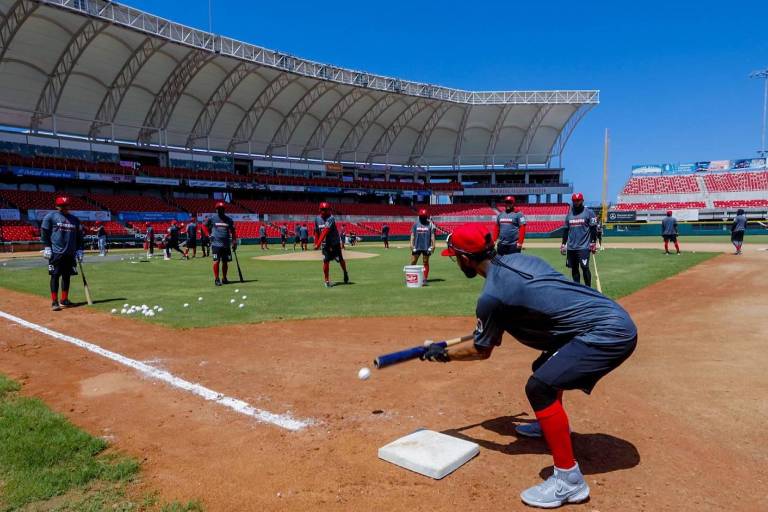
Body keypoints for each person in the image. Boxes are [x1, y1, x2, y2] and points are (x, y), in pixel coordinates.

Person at [427, 223, 637, 508]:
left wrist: (443, 354)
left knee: (540, 388)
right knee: (544, 365)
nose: (456, 262)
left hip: (607, 334)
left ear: (465, 259)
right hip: (608, 316)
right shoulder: (521, 261)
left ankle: (569, 481)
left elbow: (481, 349)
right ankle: (546, 427)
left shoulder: (491, 297)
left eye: (455, 257)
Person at [41, 196, 84, 311]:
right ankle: (54, 302)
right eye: (62, 206)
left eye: (66, 205)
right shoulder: (50, 217)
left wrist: (80, 249)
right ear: (57, 206)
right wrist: (47, 247)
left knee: (67, 276)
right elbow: (44, 233)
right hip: (56, 253)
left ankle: (64, 299)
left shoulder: (75, 219)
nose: (65, 207)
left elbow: (80, 237)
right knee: (55, 276)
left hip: (70, 254)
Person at [561, 193, 597, 287]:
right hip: (571, 247)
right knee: (574, 268)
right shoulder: (569, 215)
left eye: (578, 200)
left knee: (585, 267)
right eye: (574, 201)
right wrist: (563, 244)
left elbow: (593, 228)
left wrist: (593, 242)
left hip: (584, 247)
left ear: (582, 201)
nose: (576, 202)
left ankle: (588, 289)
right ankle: (578, 289)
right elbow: (566, 231)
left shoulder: (589, 213)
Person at [314, 202, 349, 287]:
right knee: (326, 261)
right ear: (319, 210)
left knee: (340, 259)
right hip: (325, 244)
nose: (324, 211)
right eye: (322, 210)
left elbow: (325, 230)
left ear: (329, 210)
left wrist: (318, 244)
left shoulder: (331, 218)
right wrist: (316, 242)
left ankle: (345, 272)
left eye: (326, 210)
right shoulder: (317, 219)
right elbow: (317, 232)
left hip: (335, 243)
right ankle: (326, 280)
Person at [205, 202, 237, 286]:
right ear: (216, 210)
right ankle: (216, 279)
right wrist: (208, 235)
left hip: (226, 245)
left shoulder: (229, 220)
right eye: (219, 209)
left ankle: (224, 278)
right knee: (216, 261)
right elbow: (204, 226)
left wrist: (234, 241)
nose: (220, 210)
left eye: (222, 209)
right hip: (216, 244)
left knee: (225, 262)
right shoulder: (212, 218)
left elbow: (233, 231)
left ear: (224, 210)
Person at [410, 208, 436, 282]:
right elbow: (412, 234)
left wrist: (434, 245)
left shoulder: (430, 224)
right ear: (419, 216)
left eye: (424, 216)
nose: (423, 217)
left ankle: (425, 278)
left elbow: (432, 235)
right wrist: (411, 244)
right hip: (416, 246)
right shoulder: (415, 224)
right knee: (413, 261)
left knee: (425, 262)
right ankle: (411, 276)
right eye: (422, 216)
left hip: (426, 247)